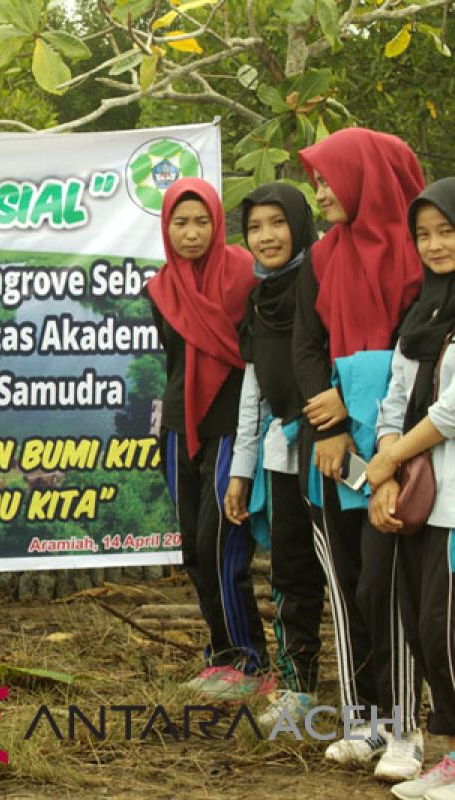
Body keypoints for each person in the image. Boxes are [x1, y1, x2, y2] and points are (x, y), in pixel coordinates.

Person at [293, 127, 426, 780]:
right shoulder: (321, 258)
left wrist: (350, 401)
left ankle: (406, 726)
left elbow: (417, 353)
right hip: (332, 456)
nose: (319, 193)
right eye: (315, 181)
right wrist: (329, 424)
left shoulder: (423, 260)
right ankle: (361, 720)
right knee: (345, 587)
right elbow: (306, 345)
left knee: (388, 586)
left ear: (366, 177)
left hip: (404, 453)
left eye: (327, 179)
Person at [145, 178, 267, 699]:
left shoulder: (246, 277)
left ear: (218, 224)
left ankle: (251, 661)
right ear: (166, 227)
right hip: (179, 428)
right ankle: (220, 655)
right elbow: (174, 363)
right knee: (194, 549)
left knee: (223, 544)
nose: (191, 233)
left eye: (201, 221)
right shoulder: (161, 288)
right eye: (180, 222)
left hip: (230, 425)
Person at [223, 183, 326, 727]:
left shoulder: (326, 282)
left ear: (299, 224)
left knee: (353, 577)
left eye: (277, 223)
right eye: (255, 227)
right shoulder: (260, 298)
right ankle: (299, 688)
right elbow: (254, 391)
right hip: (283, 455)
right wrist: (242, 471)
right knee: (289, 573)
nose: (266, 237)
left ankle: (376, 696)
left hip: (335, 453)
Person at [366, 177, 455, 800]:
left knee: (446, 629)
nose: (434, 245)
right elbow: (393, 399)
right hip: (418, 501)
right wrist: (384, 475)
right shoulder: (420, 314)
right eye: (423, 235)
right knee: (424, 630)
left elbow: (452, 410)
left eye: (447, 231)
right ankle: (445, 759)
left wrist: (391, 457)